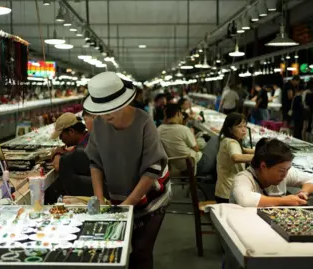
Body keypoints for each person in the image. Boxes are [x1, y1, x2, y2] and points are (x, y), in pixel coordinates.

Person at [84, 72, 169, 269]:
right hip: (119, 198)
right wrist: (99, 198)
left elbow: (153, 168)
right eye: (102, 111)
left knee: (141, 251)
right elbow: (95, 163)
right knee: (116, 249)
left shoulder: (144, 122)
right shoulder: (99, 124)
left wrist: (127, 205)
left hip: (152, 198)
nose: (106, 116)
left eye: (111, 109)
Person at [231, 138, 313, 207]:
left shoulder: (284, 172)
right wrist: (284, 200)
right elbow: (245, 199)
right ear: (263, 166)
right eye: (281, 171)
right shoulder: (243, 178)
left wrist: (304, 192)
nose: (285, 175)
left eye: (288, 169)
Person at [158, 104, 217, 176]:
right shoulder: (183, 129)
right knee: (216, 139)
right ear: (178, 114)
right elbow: (197, 149)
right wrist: (192, 134)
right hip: (197, 165)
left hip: (178, 167)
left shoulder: (159, 130)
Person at [48, 113, 92, 199]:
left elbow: (57, 166)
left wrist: (58, 153)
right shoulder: (87, 137)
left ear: (71, 132)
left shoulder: (83, 148)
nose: (61, 139)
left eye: (61, 136)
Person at [215, 113, 254, 204]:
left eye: (245, 126)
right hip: (228, 194)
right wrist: (261, 157)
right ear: (230, 129)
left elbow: (244, 150)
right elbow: (236, 157)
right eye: (240, 127)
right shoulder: (232, 143)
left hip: (223, 191)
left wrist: (264, 151)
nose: (244, 130)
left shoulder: (227, 140)